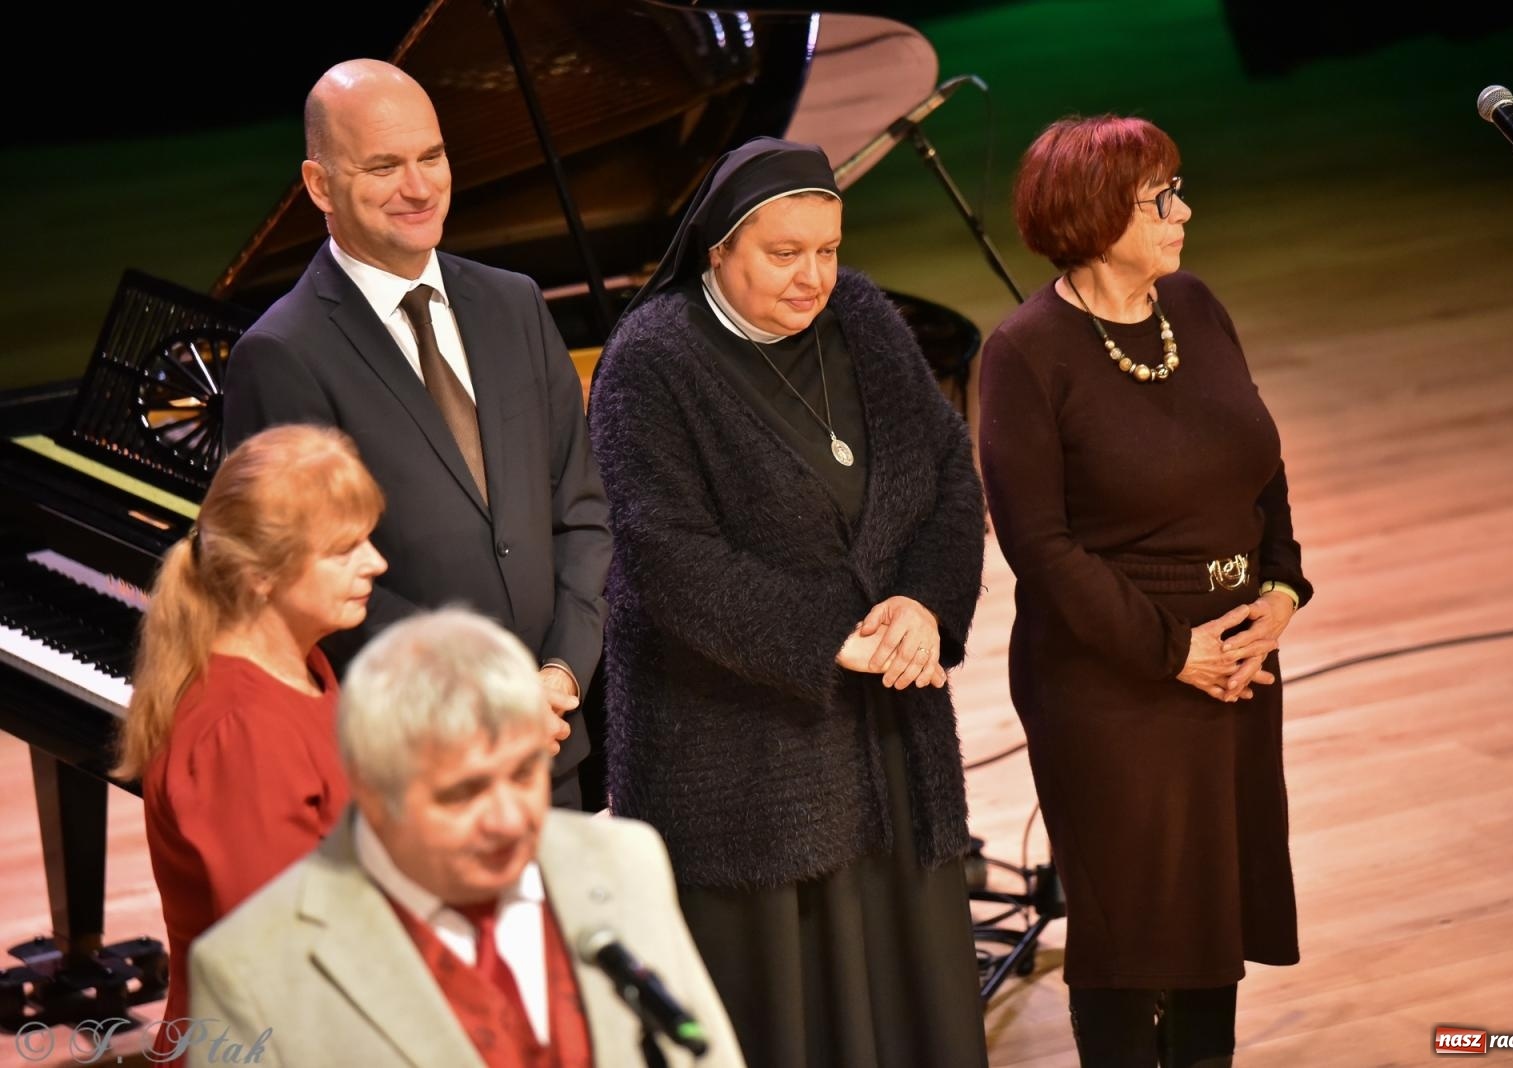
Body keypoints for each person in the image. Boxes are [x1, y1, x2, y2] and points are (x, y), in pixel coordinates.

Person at [587, 137, 989, 1068]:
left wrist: (925, 605)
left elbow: (946, 470)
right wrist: (827, 635)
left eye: (829, 250)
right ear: (718, 249)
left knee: (911, 1000)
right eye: (784, 254)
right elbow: (663, 554)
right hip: (742, 757)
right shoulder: (650, 362)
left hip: (887, 735)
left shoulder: (863, 316)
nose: (815, 278)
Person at [978, 114, 1313, 1068]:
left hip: (1236, 656)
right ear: (1093, 216)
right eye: (1160, 199)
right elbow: (1039, 546)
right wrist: (1175, 652)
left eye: (1177, 190)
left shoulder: (1195, 306)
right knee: (1131, 925)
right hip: (1111, 674)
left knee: (1215, 903)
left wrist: (1282, 586)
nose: (1184, 212)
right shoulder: (1025, 353)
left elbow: (1259, 462)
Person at [222, 58, 610, 809]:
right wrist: (491, 695)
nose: (420, 186)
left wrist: (560, 674)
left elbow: (582, 513)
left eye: (432, 156)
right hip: (414, 767)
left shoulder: (516, 304)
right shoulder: (281, 355)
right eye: (384, 167)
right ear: (319, 185)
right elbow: (310, 579)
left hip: (553, 741)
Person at [187, 607, 746, 1068]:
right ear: (373, 791)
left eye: (524, 773)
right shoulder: (248, 972)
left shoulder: (626, 859)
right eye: (463, 794)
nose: (508, 819)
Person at [114, 424, 386, 1038]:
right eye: (345, 549)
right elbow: (287, 960)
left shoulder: (306, 666)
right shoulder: (240, 733)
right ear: (262, 574)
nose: (377, 562)